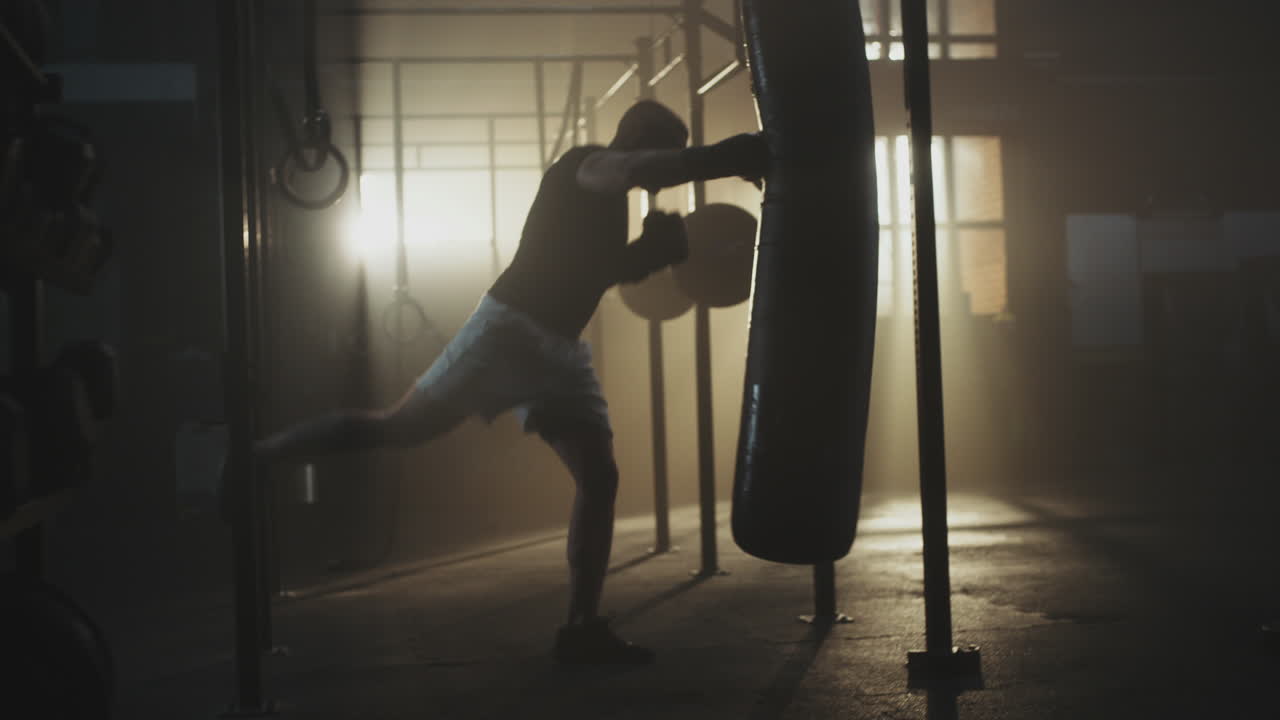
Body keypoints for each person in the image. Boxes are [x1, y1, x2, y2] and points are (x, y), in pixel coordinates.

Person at [256, 100, 769, 665]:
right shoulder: (590, 164)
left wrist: (648, 255)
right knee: (397, 428)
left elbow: (592, 273)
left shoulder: (607, 193)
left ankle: (581, 628)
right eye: (666, 151)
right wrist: (735, 153)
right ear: (642, 141)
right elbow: (643, 171)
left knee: (600, 478)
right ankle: (260, 455)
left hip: (559, 351)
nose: (663, 166)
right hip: (506, 332)